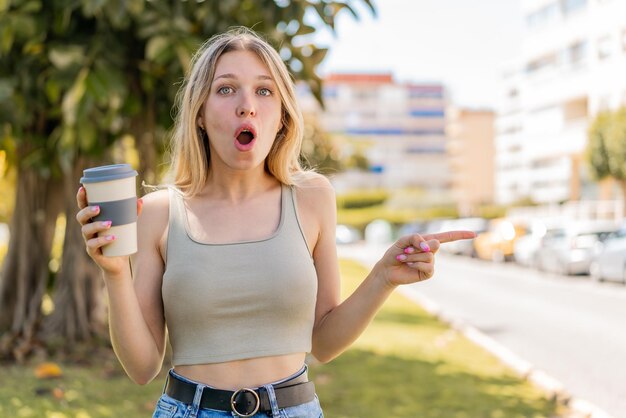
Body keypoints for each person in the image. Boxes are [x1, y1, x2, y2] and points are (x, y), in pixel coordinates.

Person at [76, 27, 476, 418]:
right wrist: (114, 273)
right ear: (199, 113)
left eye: (264, 91)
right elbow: (143, 367)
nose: (247, 104)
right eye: (226, 88)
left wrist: (382, 278)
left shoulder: (313, 197)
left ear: (282, 116)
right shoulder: (159, 212)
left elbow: (324, 342)